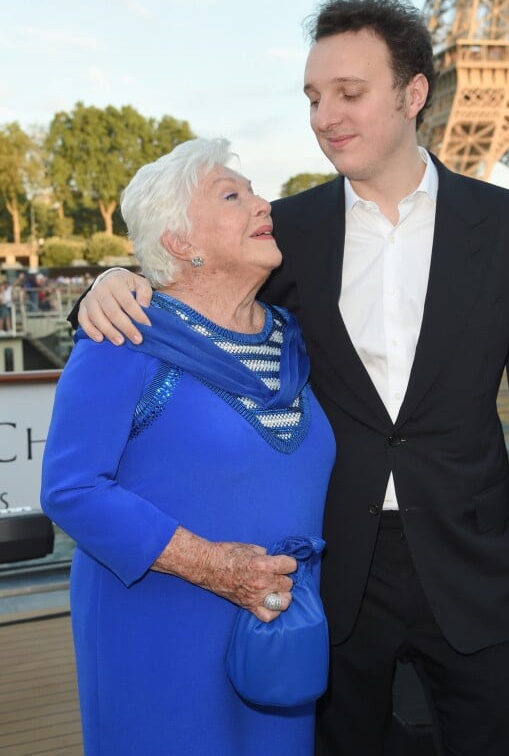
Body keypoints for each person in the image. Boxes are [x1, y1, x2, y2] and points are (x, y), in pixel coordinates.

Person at [72, 0, 509, 756]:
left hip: (473, 556)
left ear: (413, 95)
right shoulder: (289, 231)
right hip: (333, 567)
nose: (325, 115)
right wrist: (103, 283)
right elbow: (192, 290)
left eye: (349, 92)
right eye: (313, 97)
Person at [42, 137, 335, 756]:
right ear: (180, 242)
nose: (263, 205)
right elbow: (71, 488)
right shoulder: (123, 336)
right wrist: (216, 567)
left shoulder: (292, 338)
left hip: (280, 633)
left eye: (254, 191)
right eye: (233, 195)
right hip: (160, 629)